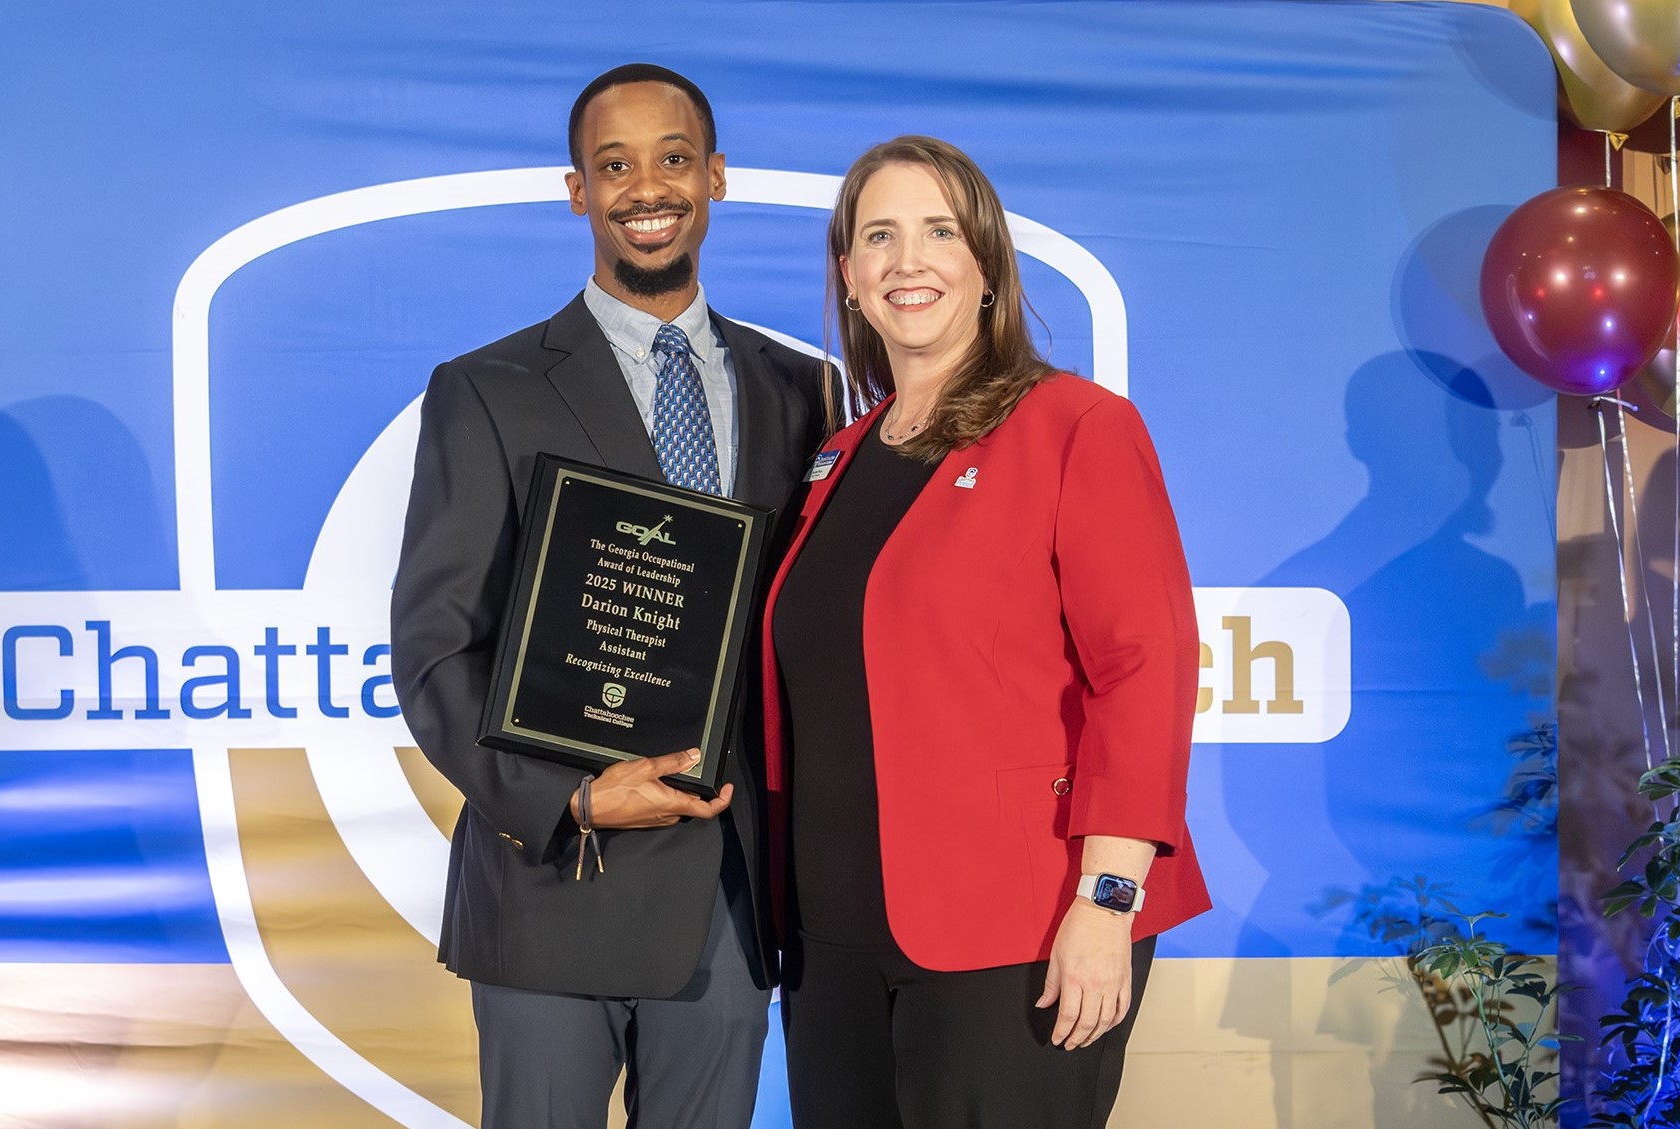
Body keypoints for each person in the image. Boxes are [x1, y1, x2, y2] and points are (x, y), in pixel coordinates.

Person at [390, 63, 833, 1129]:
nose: (648, 187)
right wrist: (572, 799)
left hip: (730, 890)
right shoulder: (487, 388)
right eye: (615, 164)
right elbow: (435, 647)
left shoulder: (805, 392)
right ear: (578, 189)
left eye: (674, 158)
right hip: (555, 877)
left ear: (716, 176)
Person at [761, 135, 1210, 1127]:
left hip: (1020, 927)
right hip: (832, 941)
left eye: (938, 232)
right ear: (848, 271)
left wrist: (1108, 898)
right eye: (878, 235)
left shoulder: (1073, 426)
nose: (906, 261)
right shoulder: (832, 459)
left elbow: (1148, 667)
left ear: (985, 263)